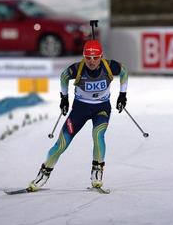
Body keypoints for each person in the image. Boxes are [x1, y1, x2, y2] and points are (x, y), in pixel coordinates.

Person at [28, 39, 128, 191]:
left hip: (101, 109)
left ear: (101, 56)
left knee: (98, 135)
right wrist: (64, 98)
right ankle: (43, 174)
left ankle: (97, 172)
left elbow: (124, 72)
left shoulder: (109, 65)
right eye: (88, 57)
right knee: (61, 144)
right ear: (83, 56)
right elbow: (63, 77)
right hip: (80, 109)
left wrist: (123, 95)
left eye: (95, 58)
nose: (92, 61)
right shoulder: (77, 69)